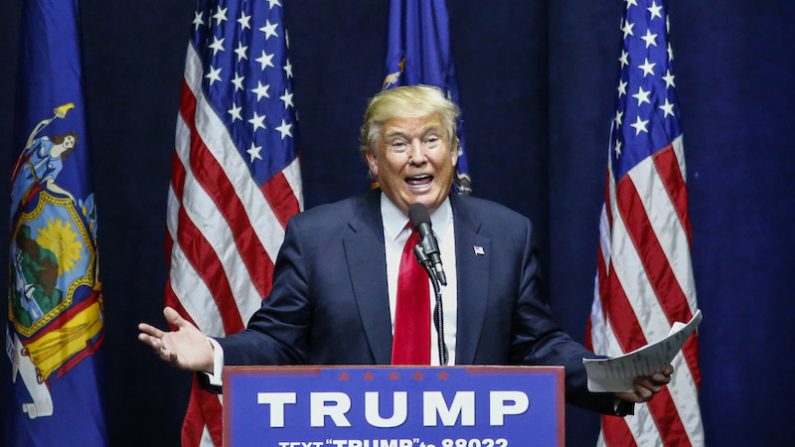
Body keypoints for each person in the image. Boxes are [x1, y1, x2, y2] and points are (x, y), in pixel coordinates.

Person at [138, 85, 672, 414]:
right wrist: (214, 354)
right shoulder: (318, 237)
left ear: (454, 151)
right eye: (398, 143)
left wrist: (610, 377)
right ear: (373, 161)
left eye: (432, 139)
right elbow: (279, 341)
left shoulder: (507, 234)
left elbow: (538, 345)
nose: (418, 157)